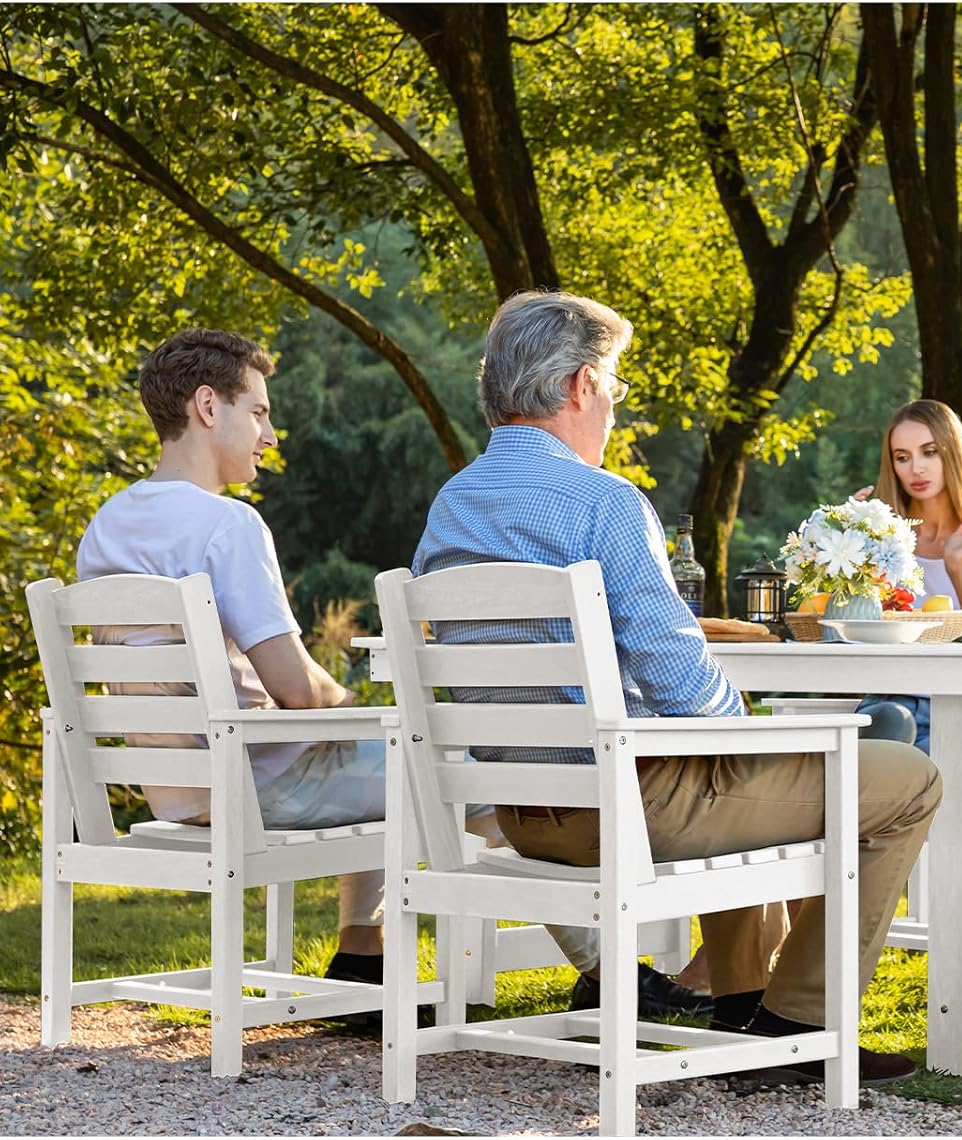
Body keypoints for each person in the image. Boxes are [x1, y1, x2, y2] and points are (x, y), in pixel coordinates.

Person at [73, 329, 700, 1022]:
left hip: (172, 784)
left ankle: (360, 956)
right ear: (206, 407)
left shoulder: (106, 525)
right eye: (257, 411)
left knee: (394, 758)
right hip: (254, 785)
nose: (270, 434)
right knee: (469, 772)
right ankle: (609, 973)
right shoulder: (228, 525)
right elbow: (297, 691)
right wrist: (345, 701)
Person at [412, 289, 942, 1086]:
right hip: (622, 814)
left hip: (523, 817)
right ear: (579, 386)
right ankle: (799, 1021)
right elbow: (686, 690)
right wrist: (757, 727)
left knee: (729, 762)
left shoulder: (450, 508)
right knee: (907, 779)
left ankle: (741, 1002)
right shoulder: (607, 505)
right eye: (614, 387)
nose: (613, 408)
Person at [853, 399, 962, 798]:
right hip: (888, 702)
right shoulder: (879, 541)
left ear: (952, 452)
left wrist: (956, 567)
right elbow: (850, 640)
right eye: (903, 457)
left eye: (929, 452)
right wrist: (851, 547)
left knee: (923, 768)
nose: (917, 468)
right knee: (890, 725)